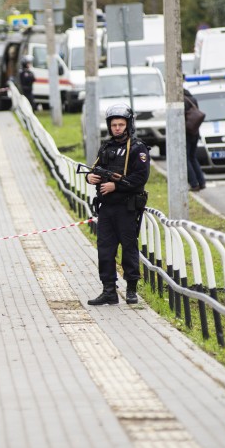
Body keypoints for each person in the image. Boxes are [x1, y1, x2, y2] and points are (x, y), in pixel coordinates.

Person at [85, 104, 150, 306]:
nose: (117, 128)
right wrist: (90, 178)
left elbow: (140, 179)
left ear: (128, 125)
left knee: (129, 248)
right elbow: (94, 169)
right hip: (106, 208)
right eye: (114, 125)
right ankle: (109, 290)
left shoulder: (138, 148)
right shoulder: (106, 147)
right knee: (105, 249)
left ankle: (131, 290)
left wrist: (116, 186)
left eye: (121, 124)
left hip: (127, 208)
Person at [183, 87, 206, 191]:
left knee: (186, 158)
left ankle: (194, 183)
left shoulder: (181, 101)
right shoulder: (192, 99)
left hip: (186, 133)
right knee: (192, 157)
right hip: (195, 132)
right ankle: (201, 181)